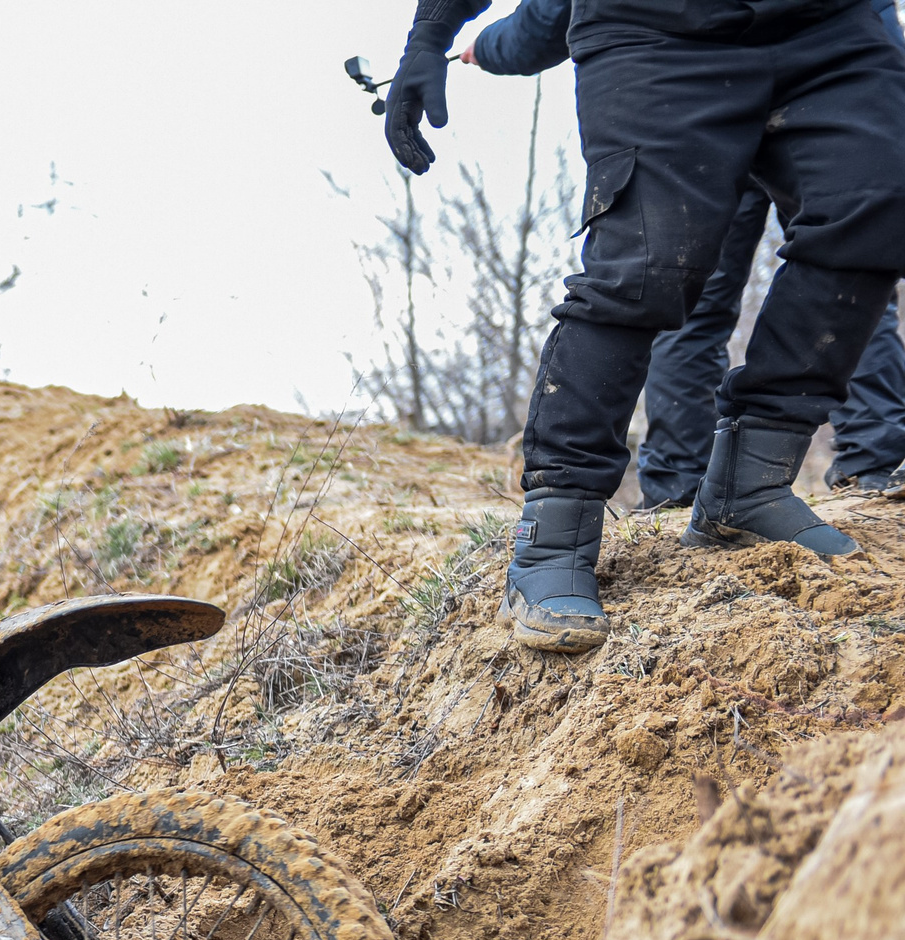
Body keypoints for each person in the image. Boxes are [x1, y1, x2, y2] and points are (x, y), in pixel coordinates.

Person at [385, 0, 905, 654]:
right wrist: (432, 35)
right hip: (656, 30)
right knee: (648, 261)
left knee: (876, 210)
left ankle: (750, 486)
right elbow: (544, 22)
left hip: (832, 22)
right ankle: (555, 534)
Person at [459, 0, 905, 507]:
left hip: (715, 100)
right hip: (804, 81)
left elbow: (543, 22)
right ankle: (872, 462)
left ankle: (685, 485)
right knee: (848, 261)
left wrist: (485, 48)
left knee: (711, 296)